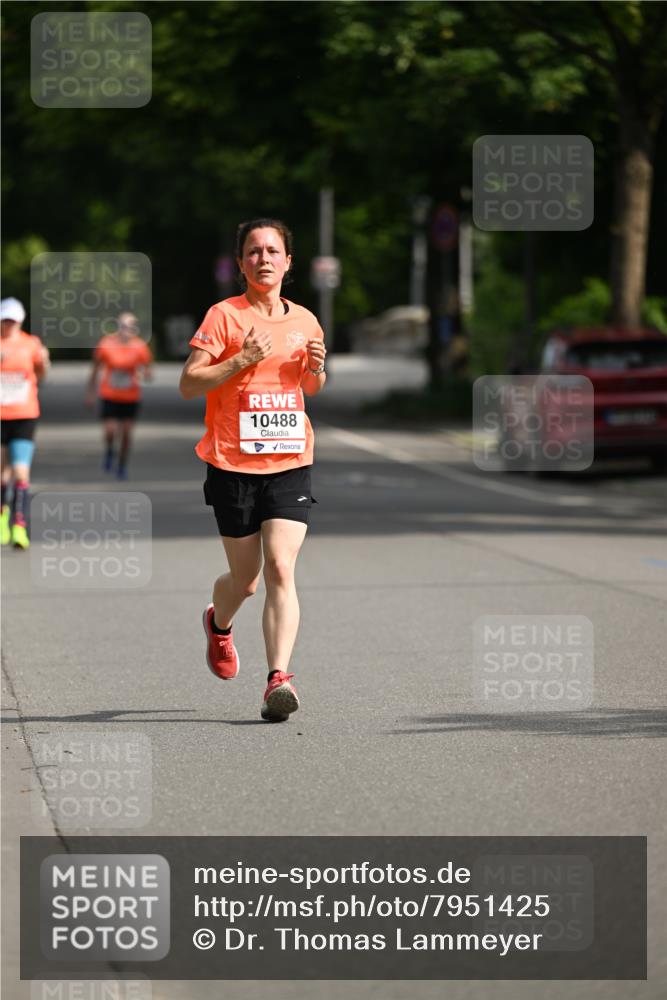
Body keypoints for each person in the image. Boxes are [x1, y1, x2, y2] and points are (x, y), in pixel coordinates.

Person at [179, 218, 326, 722]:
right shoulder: (223, 316)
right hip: (232, 463)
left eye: (273, 251)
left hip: (290, 461)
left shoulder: (306, 321)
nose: (263, 259)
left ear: (288, 262)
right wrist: (240, 359)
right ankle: (219, 625)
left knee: (282, 568)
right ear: (241, 263)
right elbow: (189, 383)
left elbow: (311, 389)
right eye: (253, 251)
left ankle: (278, 679)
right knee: (245, 582)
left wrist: (317, 369)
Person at [0, 297, 50, 549]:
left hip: (24, 414)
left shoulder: (31, 344)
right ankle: (2, 516)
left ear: (20, 321)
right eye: (4, 320)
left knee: (21, 471)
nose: (8, 324)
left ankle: (19, 526)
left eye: (13, 320)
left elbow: (42, 374)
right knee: (2, 472)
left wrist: (44, 360)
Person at [86, 313, 153, 479]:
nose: (126, 330)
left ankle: (122, 464)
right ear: (118, 327)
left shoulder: (140, 347)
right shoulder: (106, 344)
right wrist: (90, 392)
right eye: (123, 326)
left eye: (130, 327)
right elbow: (95, 369)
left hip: (130, 396)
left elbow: (148, 372)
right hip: (110, 394)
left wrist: (143, 374)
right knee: (110, 431)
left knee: (126, 434)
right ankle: (109, 451)